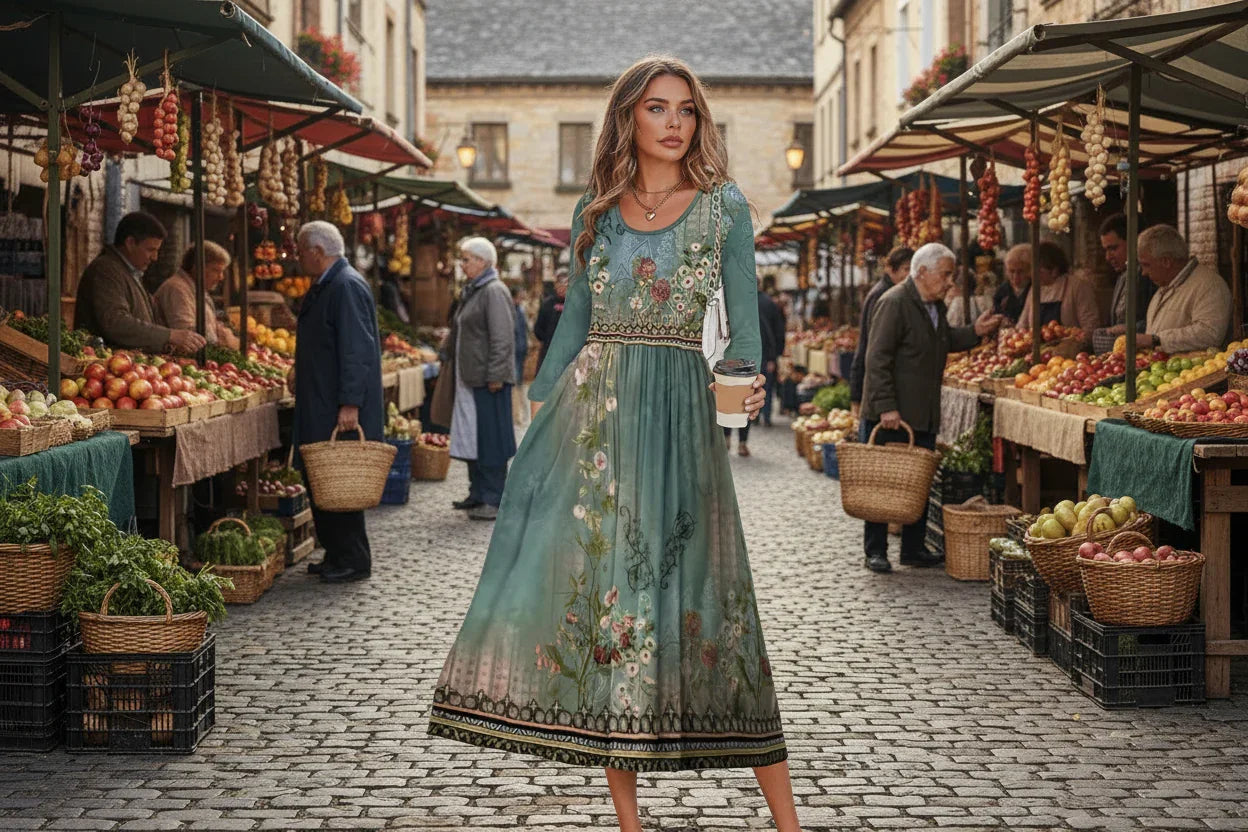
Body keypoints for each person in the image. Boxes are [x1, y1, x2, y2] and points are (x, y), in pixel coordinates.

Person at [429, 57, 800, 832]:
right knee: (611, 602)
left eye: (686, 111)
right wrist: (537, 417)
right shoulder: (594, 215)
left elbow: (740, 324)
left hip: (680, 414)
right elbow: (570, 327)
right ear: (628, 117)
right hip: (595, 420)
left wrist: (747, 383)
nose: (673, 123)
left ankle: (788, 821)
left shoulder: (726, 209)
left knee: (712, 595)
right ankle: (629, 821)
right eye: (657, 108)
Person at [861, 243, 1002, 574]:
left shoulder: (933, 305)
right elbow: (877, 358)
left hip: (922, 410)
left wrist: (975, 333)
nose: (950, 281)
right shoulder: (894, 302)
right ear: (921, 272)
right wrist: (886, 407)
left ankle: (912, 547)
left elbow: (943, 341)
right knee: (884, 484)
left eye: (952, 274)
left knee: (918, 483)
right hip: (894, 413)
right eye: (946, 274)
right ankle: (876, 550)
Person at [291, 221, 384, 584]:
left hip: (335, 405)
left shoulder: (345, 286)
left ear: (317, 251)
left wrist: (350, 403)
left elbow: (355, 349)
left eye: (301, 251)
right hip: (320, 398)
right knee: (322, 479)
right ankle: (335, 552)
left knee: (341, 480)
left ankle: (353, 558)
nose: (298, 258)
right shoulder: (329, 283)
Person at [430, 237, 516, 522]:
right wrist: (444, 350)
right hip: (468, 377)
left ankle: (494, 497)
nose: (462, 264)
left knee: (490, 439)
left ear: (482, 262)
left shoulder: (493, 291)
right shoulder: (473, 290)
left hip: (487, 379)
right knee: (471, 437)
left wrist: (496, 375)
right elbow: (460, 328)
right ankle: (477, 492)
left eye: (466, 259)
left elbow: (503, 338)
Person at [75, 211, 206, 355]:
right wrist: (170, 335)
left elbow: (145, 320)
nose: (155, 257)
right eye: (151, 250)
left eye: (157, 251)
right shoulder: (105, 270)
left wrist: (168, 344)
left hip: (132, 369)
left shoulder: (130, 272)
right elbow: (115, 322)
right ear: (130, 243)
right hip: (104, 367)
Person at [1105, 224, 1231, 353]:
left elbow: (1210, 333)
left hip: (1196, 371)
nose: (1143, 273)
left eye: (1146, 265)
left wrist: (1155, 340)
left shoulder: (1209, 285)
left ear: (1166, 262)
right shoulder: (1163, 288)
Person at [850, 246, 913, 417]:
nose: (910, 275)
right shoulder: (885, 296)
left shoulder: (892, 293)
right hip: (878, 392)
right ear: (891, 269)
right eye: (906, 269)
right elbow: (875, 350)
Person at [152, 241, 240, 350]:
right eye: (216, 270)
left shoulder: (198, 290)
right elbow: (188, 335)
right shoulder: (177, 289)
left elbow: (212, 328)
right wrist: (225, 340)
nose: (221, 277)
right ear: (197, 268)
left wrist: (225, 335)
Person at [1016, 241, 1100, 338]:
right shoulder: (1034, 290)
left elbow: (1091, 326)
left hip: (1070, 350)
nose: (1032, 275)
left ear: (1054, 271)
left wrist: (1074, 339)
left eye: (1039, 271)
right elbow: (1022, 324)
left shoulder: (1077, 287)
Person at [1100, 212, 1157, 330]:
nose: (1108, 257)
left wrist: (1128, 329)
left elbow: (1156, 322)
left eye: (1113, 248)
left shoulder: (1149, 275)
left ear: (1134, 242)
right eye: (1106, 250)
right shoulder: (1123, 275)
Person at [756, 277, 786, 427]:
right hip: (767, 352)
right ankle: (766, 416)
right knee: (766, 385)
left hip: (750, 352)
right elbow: (779, 330)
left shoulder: (744, 303)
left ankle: (753, 417)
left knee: (752, 385)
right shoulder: (769, 303)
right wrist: (775, 356)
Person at [532, 268, 567, 373]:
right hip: (548, 353)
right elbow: (538, 329)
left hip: (568, 355)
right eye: (559, 283)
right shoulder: (547, 304)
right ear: (555, 285)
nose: (562, 287)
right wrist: (548, 340)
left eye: (565, 283)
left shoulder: (575, 304)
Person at [992, 243, 1031, 325]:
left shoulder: (1035, 289)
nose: (1015, 277)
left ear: (1029, 271)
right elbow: (996, 313)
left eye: (1020, 271)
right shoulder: (1002, 291)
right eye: (1012, 271)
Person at [511, 284, 530, 427]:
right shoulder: (510, 311)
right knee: (515, 382)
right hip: (513, 352)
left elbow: (524, 331)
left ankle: (519, 414)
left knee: (518, 382)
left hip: (520, 351)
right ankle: (516, 415)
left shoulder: (520, 311)